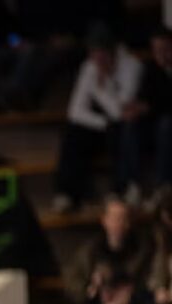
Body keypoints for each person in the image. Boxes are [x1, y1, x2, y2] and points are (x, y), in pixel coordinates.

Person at [52, 23, 143, 213]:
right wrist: (103, 123)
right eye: (94, 54)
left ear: (112, 51)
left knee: (120, 130)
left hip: (127, 126)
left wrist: (100, 88)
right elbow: (75, 111)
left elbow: (119, 112)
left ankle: (120, 188)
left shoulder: (132, 66)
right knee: (73, 132)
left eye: (102, 54)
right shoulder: (89, 67)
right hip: (103, 125)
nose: (97, 60)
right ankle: (66, 194)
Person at [122, 27, 172, 206]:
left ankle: (163, 185)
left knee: (166, 125)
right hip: (154, 123)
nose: (161, 54)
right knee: (130, 125)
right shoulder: (150, 69)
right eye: (157, 50)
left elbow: (160, 102)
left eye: (165, 49)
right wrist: (136, 108)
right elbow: (145, 96)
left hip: (166, 124)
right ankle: (134, 184)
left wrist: (149, 107)